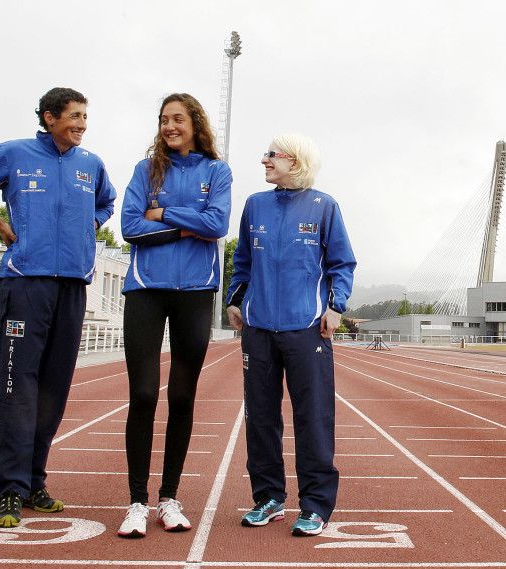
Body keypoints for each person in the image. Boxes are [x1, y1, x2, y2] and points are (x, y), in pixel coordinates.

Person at [0, 87, 115, 528]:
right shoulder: (14, 154)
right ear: (49, 116)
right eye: (74, 116)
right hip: (25, 284)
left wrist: (86, 227)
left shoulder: (90, 165)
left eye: (84, 117)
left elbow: (106, 202)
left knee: (54, 391)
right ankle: (9, 491)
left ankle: (35, 482)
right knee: (19, 389)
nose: (81, 124)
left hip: (73, 287)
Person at [226, 133, 356, 537]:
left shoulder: (324, 206)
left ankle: (315, 504)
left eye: (272, 155)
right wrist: (235, 298)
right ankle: (268, 497)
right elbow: (242, 259)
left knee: (312, 417)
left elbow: (342, 263)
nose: (264, 160)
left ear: (294, 162)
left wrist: (336, 306)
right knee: (260, 417)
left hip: (307, 329)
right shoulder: (255, 205)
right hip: (259, 329)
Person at [115, 93, 231, 538]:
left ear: (194, 123)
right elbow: (129, 227)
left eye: (177, 119)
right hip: (146, 290)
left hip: (197, 292)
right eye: (164, 120)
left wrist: (163, 215)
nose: (169, 126)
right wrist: (187, 226)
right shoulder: (146, 171)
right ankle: (136, 502)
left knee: (182, 397)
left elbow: (217, 224)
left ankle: (169, 497)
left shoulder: (216, 171)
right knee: (143, 394)